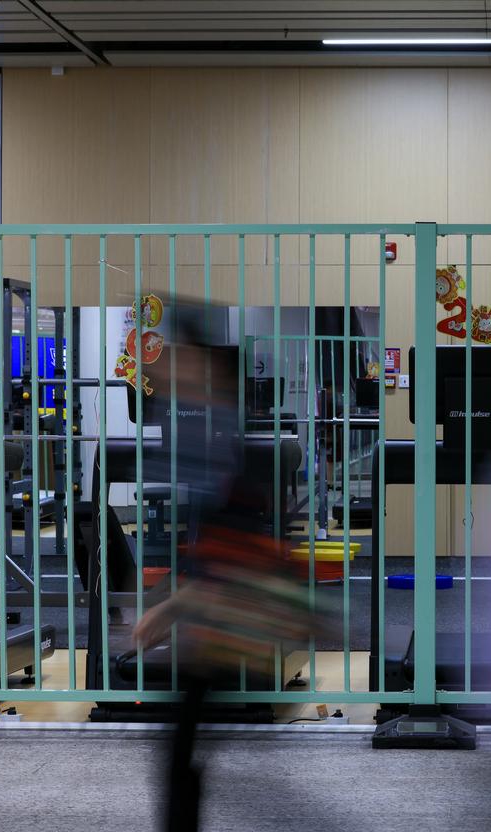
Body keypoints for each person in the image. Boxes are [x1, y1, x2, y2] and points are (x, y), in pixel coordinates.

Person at [132, 303, 317, 832]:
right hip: (220, 601)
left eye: (178, 357)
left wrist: (173, 606)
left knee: (184, 740)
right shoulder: (197, 421)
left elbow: (229, 537)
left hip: (229, 603)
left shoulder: (216, 432)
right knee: (183, 740)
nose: (167, 367)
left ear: (203, 362)